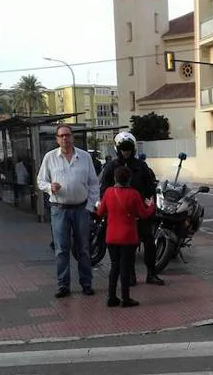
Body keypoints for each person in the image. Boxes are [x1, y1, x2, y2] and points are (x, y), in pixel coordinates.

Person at [37, 124, 100, 298]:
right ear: (57, 139)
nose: (65, 138)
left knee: (84, 249)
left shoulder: (85, 157)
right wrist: (50, 187)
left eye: (68, 135)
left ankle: (86, 283)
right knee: (61, 249)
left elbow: (94, 184)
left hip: (81, 209)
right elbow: (40, 181)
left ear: (72, 137)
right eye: (61, 136)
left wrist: (89, 206)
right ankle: (63, 285)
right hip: (59, 210)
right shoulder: (50, 158)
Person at [100, 132, 164, 286]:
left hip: (140, 212)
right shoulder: (112, 166)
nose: (126, 151)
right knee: (126, 247)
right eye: (123, 148)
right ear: (118, 149)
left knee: (149, 242)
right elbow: (104, 190)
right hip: (121, 215)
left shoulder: (141, 166)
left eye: (128, 148)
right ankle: (129, 275)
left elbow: (150, 187)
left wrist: (149, 203)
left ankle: (151, 273)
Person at [97, 166, 155, 307]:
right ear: (129, 179)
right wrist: (151, 205)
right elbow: (143, 214)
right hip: (128, 237)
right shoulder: (134, 194)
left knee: (114, 266)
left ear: (115, 179)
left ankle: (111, 297)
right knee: (125, 268)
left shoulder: (109, 193)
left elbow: (100, 212)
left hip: (111, 236)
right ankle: (126, 298)